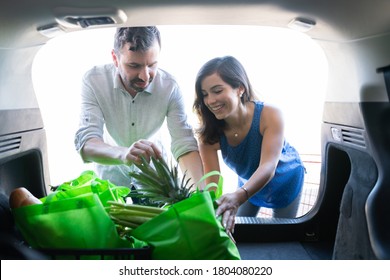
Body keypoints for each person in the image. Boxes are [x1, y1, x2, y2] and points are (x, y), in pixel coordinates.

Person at [74, 26, 204, 191]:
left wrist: (200, 194)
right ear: (115, 58)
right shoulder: (94, 81)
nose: (145, 76)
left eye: (152, 65)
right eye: (134, 66)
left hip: (156, 182)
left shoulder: (170, 87)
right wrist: (124, 154)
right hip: (110, 181)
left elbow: (184, 145)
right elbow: (87, 144)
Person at [193, 56, 305, 233]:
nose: (210, 100)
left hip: (286, 180)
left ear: (240, 88)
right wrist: (211, 210)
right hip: (248, 182)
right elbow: (212, 182)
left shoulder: (270, 114)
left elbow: (268, 165)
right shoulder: (209, 135)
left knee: (281, 234)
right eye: (205, 94)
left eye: (217, 90)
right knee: (240, 228)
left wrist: (240, 195)